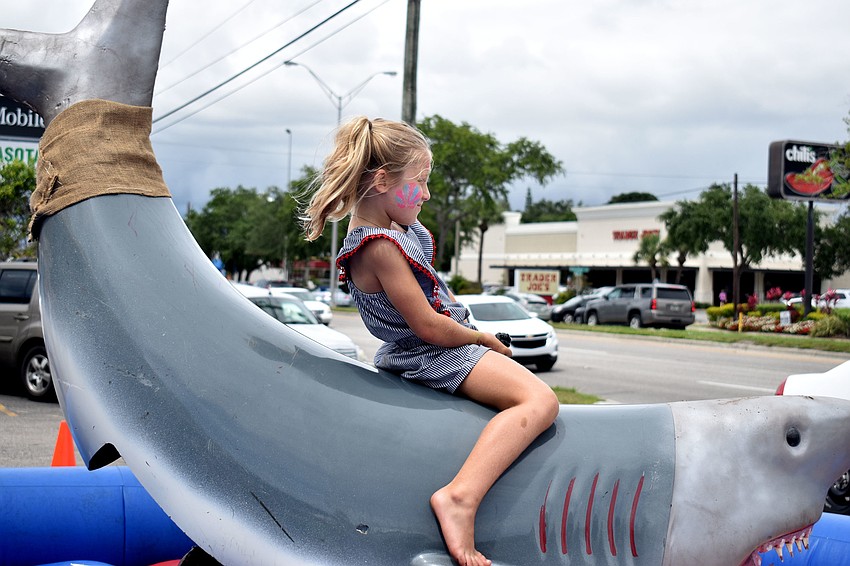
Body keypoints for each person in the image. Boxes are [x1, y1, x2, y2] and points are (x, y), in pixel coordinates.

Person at [303, 117, 560, 566]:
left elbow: (436, 295)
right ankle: (460, 497)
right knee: (540, 401)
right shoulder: (378, 246)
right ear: (382, 181)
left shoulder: (396, 230)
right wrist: (483, 338)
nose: (425, 194)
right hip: (430, 353)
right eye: (419, 182)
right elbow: (428, 325)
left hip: (438, 345)